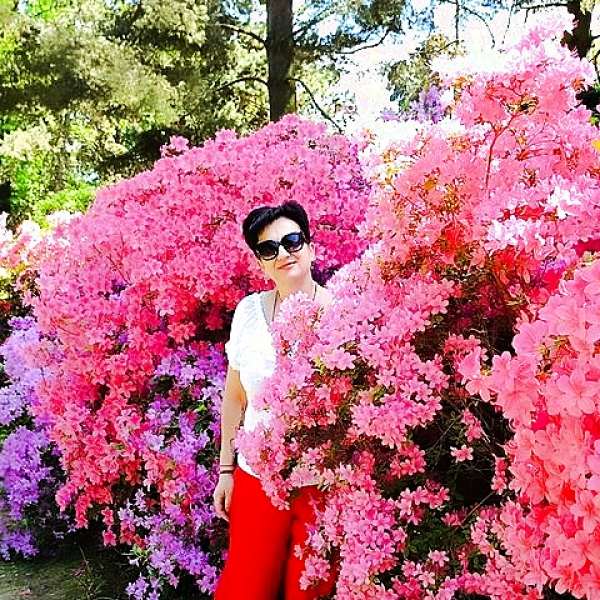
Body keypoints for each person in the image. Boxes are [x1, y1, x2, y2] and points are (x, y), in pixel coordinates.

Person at [213, 200, 336, 600]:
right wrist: (226, 470)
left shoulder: (341, 313)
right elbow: (235, 398)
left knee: (308, 592)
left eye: (292, 241)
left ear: (310, 246)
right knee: (246, 589)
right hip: (256, 481)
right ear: (261, 263)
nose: (283, 253)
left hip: (320, 485)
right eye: (268, 249)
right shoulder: (248, 312)